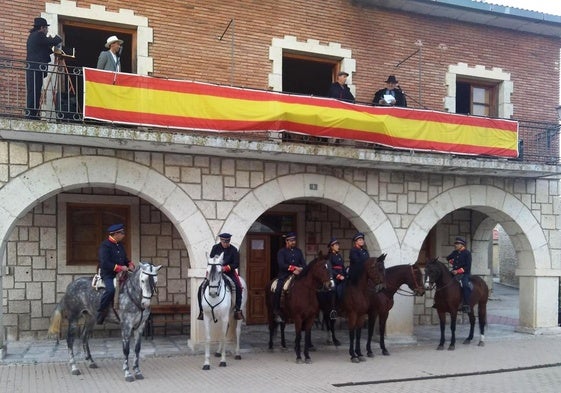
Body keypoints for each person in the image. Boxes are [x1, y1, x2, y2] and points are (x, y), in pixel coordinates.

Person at [197, 233, 244, 321]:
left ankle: (237, 310)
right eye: (223, 241)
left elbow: (236, 263)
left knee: (238, 287)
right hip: (215, 272)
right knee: (201, 287)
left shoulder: (234, 249)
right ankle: (201, 311)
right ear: (221, 240)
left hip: (229, 272)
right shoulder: (215, 248)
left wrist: (225, 268)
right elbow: (211, 259)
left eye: (227, 242)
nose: (225, 244)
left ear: (229, 241)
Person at [96, 223, 134, 324]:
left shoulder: (120, 245)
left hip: (122, 274)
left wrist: (129, 264)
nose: (123, 235)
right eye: (122, 233)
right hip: (108, 274)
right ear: (116, 234)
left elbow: (124, 259)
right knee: (110, 290)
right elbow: (105, 262)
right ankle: (101, 312)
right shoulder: (105, 245)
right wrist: (120, 267)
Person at [25, 17, 62, 119]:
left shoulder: (34, 37)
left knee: (35, 91)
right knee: (34, 92)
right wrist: (58, 38)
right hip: (35, 68)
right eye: (46, 28)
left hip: (34, 69)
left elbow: (46, 49)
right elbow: (52, 41)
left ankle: (33, 114)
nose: (47, 31)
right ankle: (31, 115)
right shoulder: (38, 35)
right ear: (42, 28)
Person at [273, 232, 306, 322]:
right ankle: (276, 310)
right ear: (286, 241)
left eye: (294, 240)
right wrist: (293, 268)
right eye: (291, 241)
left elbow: (303, 263)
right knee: (278, 288)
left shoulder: (298, 251)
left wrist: (300, 269)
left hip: (298, 274)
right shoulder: (281, 252)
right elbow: (281, 264)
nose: (293, 242)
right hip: (285, 274)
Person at [447, 236, 472, 313]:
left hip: (464, 274)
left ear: (462, 245)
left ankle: (466, 305)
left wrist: (457, 271)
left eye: (457, 244)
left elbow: (468, 267)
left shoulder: (467, 253)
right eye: (455, 244)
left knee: (465, 286)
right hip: (454, 273)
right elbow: (448, 258)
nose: (455, 245)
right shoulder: (455, 252)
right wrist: (453, 263)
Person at [327, 238, 345, 319]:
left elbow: (342, 267)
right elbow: (329, 268)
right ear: (332, 247)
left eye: (338, 245)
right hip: (332, 277)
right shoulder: (330, 256)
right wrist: (337, 275)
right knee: (334, 290)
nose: (338, 246)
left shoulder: (339, 256)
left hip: (342, 276)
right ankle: (333, 310)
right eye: (336, 245)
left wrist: (346, 274)